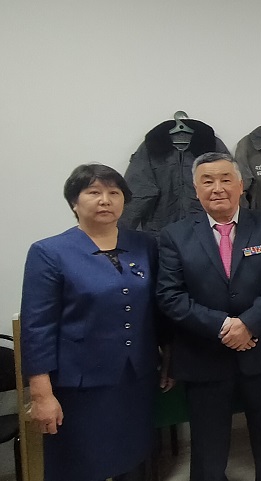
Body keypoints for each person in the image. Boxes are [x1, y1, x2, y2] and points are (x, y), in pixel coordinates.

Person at [20, 164, 171, 481]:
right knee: (81, 464)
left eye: (114, 192)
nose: (105, 200)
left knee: (134, 458)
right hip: (80, 385)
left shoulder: (144, 245)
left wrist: (168, 356)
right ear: (74, 202)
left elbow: (158, 308)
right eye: (93, 192)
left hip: (136, 378)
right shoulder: (50, 252)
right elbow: (37, 327)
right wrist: (41, 394)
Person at [157, 152, 261, 481]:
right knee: (208, 443)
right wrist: (223, 326)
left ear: (241, 185)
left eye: (225, 179)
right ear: (196, 189)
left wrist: (248, 324)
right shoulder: (174, 235)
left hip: (260, 351)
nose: (217, 188)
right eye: (207, 181)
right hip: (203, 354)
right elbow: (170, 296)